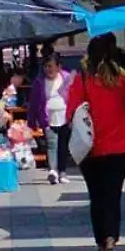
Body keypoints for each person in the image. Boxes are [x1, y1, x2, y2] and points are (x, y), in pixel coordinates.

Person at [65, 34, 125, 251]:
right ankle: (111, 245)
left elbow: (71, 114)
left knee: (97, 198)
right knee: (113, 197)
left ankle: (101, 247)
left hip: (92, 150)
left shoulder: (82, 81)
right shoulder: (123, 82)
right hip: (119, 148)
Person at [29, 53, 75, 183]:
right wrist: (32, 121)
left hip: (64, 116)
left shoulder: (66, 78)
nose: (48, 69)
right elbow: (34, 102)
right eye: (46, 67)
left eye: (51, 66)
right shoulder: (39, 82)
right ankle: (53, 171)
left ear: (58, 67)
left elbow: (74, 96)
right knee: (51, 143)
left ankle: (63, 172)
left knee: (63, 145)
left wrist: (73, 115)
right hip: (47, 117)